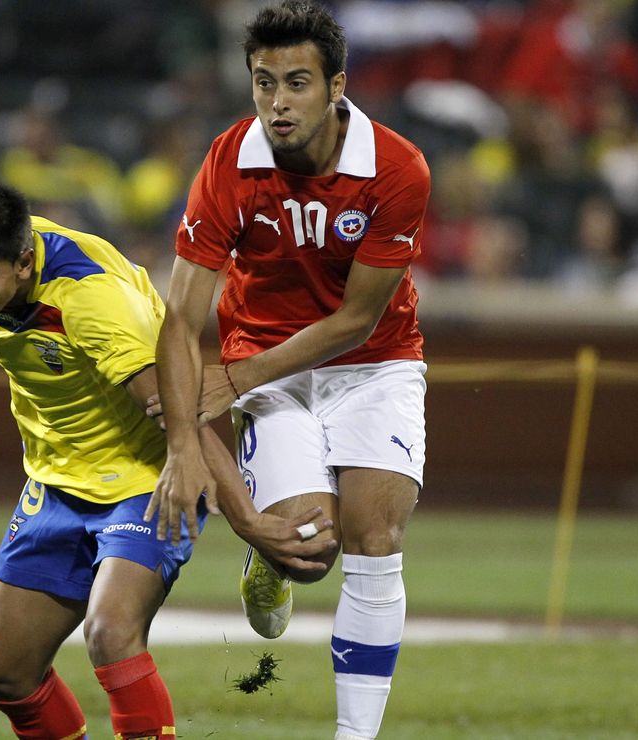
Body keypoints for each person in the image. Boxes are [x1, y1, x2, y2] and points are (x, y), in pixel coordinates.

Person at [0, 179, 332, 740]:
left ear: (24, 263)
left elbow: (176, 407)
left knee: (111, 634)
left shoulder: (92, 301)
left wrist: (250, 522)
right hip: (59, 482)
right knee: (5, 674)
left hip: (152, 475)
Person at [147, 3, 430, 739]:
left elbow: (355, 321)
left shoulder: (397, 168)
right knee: (309, 554)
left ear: (336, 86)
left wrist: (233, 382)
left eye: (296, 82)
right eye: (263, 82)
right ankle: (267, 561)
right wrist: (185, 433)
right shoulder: (228, 162)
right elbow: (181, 316)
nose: (277, 101)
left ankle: (355, 735)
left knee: (375, 542)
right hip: (268, 367)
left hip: (374, 363)